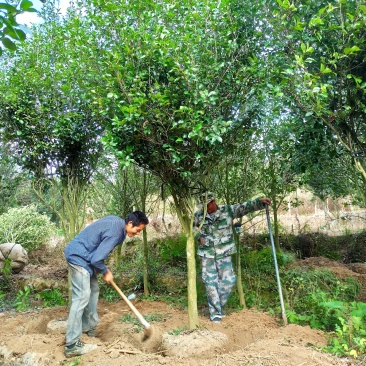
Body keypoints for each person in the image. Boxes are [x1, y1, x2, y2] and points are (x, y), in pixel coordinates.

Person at [63, 211, 149, 358]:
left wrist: (102, 269)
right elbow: (97, 259)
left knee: (94, 290)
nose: (137, 233)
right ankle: (72, 345)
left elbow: (96, 254)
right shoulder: (117, 232)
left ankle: (88, 328)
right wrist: (105, 271)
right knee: (81, 297)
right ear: (129, 224)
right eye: (138, 230)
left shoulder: (117, 222)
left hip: (86, 258)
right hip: (78, 257)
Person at [194, 192, 271, 323]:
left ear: (213, 201)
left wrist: (259, 202)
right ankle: (216, 314)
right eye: (203, 206)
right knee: (210, 284)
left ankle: (219, 306)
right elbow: (191, 227)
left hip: (224, 252)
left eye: (207, 205)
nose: (205, 208)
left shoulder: (227, 210)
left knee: (229, 282)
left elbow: (244, 207)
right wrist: (198, 237)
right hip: (207, 254)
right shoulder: (198, 215)